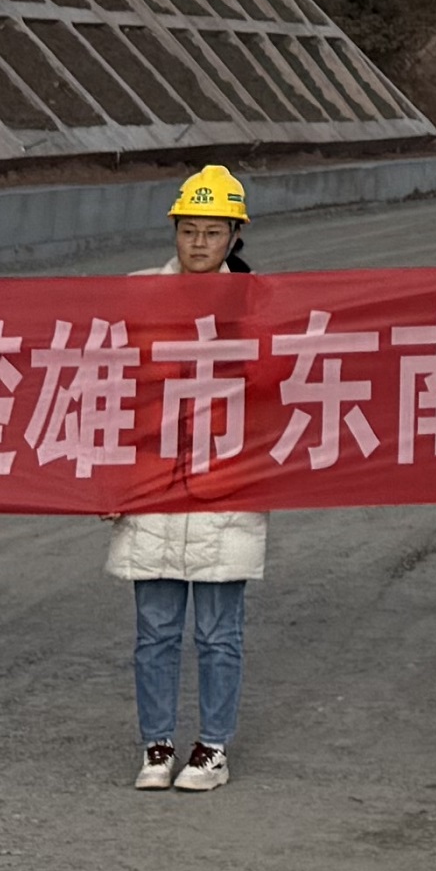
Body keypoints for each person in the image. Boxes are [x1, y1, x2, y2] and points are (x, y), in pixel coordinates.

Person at [114, 166, 266, 792]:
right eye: (189, 231)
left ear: (235, 235)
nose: (200, 243)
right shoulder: (135, 297)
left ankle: (212, 748)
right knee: (155, 632)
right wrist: (105, 481)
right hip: (151, 486)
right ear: (173, 231)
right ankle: (156, 745)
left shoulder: (264, 305)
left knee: (217, 634)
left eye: (214, 232)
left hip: (228, 487)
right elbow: (108, 392)